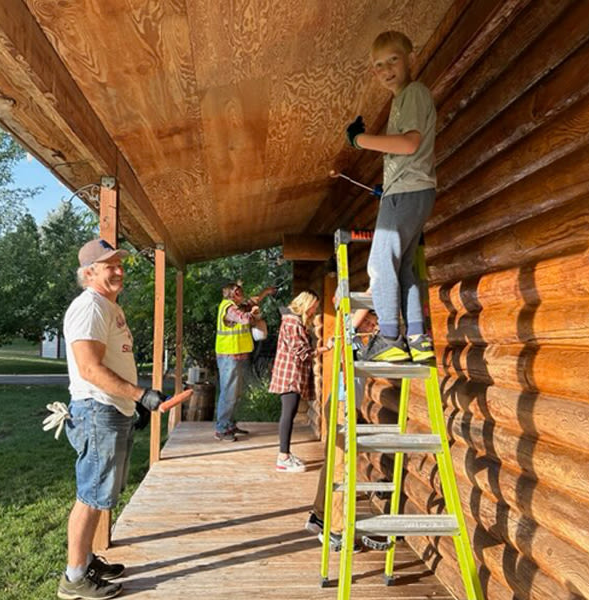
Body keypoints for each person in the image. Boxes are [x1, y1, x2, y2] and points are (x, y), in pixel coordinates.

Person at [58, 238, 192, 600]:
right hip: (97, 410)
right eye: (109, 266)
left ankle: (84, 560)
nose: (118, 271)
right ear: (89, 274)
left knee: (101, 493)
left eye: (120, 264)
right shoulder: (90, 307)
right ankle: (73, 578)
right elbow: (89, 368)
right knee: (90, 496)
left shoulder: (107, 306)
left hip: (111, 410)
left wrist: (131, 408)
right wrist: (141, 396)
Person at [344, 30, 437, 363]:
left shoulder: (413, 93)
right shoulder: (404, 99)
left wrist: (360, 141)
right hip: (412, 191)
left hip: (407, 193)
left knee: (380, 265)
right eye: (379, 65)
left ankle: (389, 339)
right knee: (403, 271)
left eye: (393, 60)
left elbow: (409, 143)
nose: (386, 69)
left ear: (410, 58)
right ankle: (417, 339)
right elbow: (408, 151)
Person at [304, 309, 377, 552]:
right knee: (340, 468)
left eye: (373, 319)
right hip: (341, 405)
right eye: (367, 318)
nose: (370, 323)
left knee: (333, 463)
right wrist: (374, 287)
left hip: (342, 404)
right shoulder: (350, 328)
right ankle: (336, 531)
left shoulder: (359, 339)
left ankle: (320, 515)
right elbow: (353, 321)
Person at [268, 290, 323, 472]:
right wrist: (324, 349)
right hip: (289, 374)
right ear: (306, 305)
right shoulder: (293, 322)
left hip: (291, 373)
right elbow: (301, 352)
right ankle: (283, 457)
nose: (314, 312)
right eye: (313, 308)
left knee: (289, 414)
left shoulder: (293, 321)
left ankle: (285, 454)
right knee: (288, 414)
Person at [214, 281, 276, 442]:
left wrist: (265, 292)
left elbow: (251, 302)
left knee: (236, 393)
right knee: (229, 393)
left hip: (237, 356)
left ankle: (229, 424)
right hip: (229, 356)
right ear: (234, 293)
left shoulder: (237, 305)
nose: (244, 295)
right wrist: (254, 314)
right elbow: (244, 318)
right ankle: (222, 428)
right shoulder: (229, 308)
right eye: (241, 292)